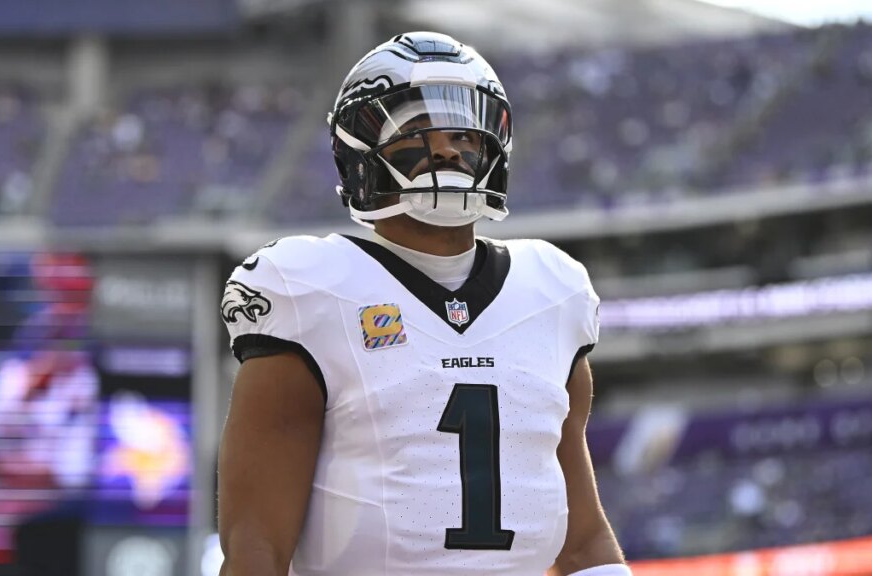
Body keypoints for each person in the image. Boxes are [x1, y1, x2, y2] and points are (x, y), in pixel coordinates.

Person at [217, 32, 628, 576]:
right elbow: (256, 549)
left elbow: (582, 542)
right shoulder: (307, 289)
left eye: (462, 132)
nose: (447, 150)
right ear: (358, 151)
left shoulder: (553, 290)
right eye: (418, 130)